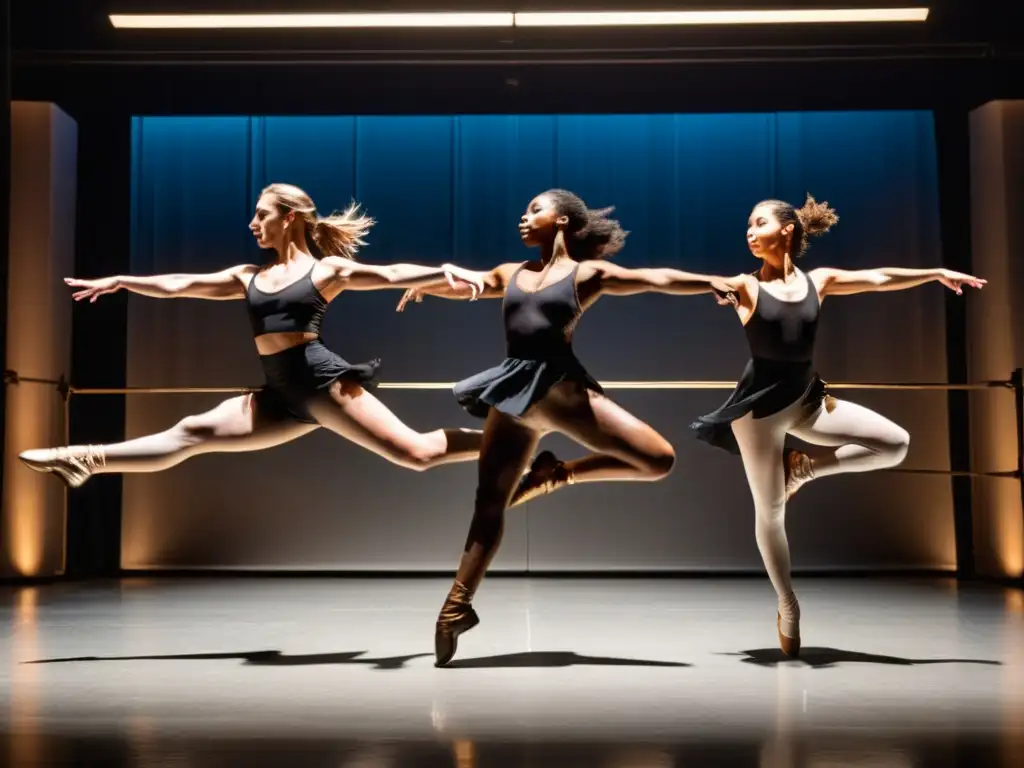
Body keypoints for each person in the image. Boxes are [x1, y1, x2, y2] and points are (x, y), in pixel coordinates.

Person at [397, 188, 735, 665]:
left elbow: (654, 279)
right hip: (513, 394)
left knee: (658, 459)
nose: (523, 214)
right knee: (489, 503)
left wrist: (711, 281)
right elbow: (468, 282)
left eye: (535, 208)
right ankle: (455, 608)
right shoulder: (510, 273)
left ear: (562, 221)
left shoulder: (587, 274)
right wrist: (432, 283)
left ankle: (560, 473)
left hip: (561, 391)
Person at [19, 183, 490, 487]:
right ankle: (82, 457)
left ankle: (506, 442)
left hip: (323, 383)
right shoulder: (247, 276)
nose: (252, 223)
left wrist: (440, 274)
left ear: (289, 217)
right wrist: (122, 280)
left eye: (261, 214)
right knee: (191, 432)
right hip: (280, 394)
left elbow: (389, 274)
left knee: (417, 453)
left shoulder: (326, 271)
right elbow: (180, 285)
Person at [689, 194, 984, 657]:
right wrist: (713, 287)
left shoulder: (818, 282)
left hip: (808, 401)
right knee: (769, 513)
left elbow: (880, 278)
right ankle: (787, 604)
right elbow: (711, 284)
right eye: (747, 224)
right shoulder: (745, 285)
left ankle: (804, 470)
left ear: (787, 230)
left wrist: (935, 273)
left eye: (759, 222)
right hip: (759, 413)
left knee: (895, 444)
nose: (749, 230)